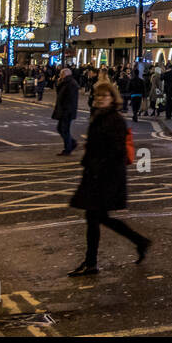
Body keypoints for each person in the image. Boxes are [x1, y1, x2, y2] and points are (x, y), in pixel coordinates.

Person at [67, 81, 150, 276]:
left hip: (105, 178)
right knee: (98, 218)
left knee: (95, 218)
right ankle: (139, 242)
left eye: (104, 96)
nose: (101, 99)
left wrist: (97, 168)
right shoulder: (99, 117)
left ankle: (91, 263)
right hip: (96, 176)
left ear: (112, 98)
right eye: (98, 96)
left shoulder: (114, 120)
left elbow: (116, 152)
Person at [53, 67, 79, 155]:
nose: (60, 75)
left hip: (66, 111)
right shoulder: (65, 82)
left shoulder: (70, 83)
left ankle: (68, 148)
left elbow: (70, 99)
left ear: (65, 74)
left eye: (61, 74)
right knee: (61, 128)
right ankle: (71, 143)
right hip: (64, 110)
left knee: (64, 129)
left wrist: (66, 110)